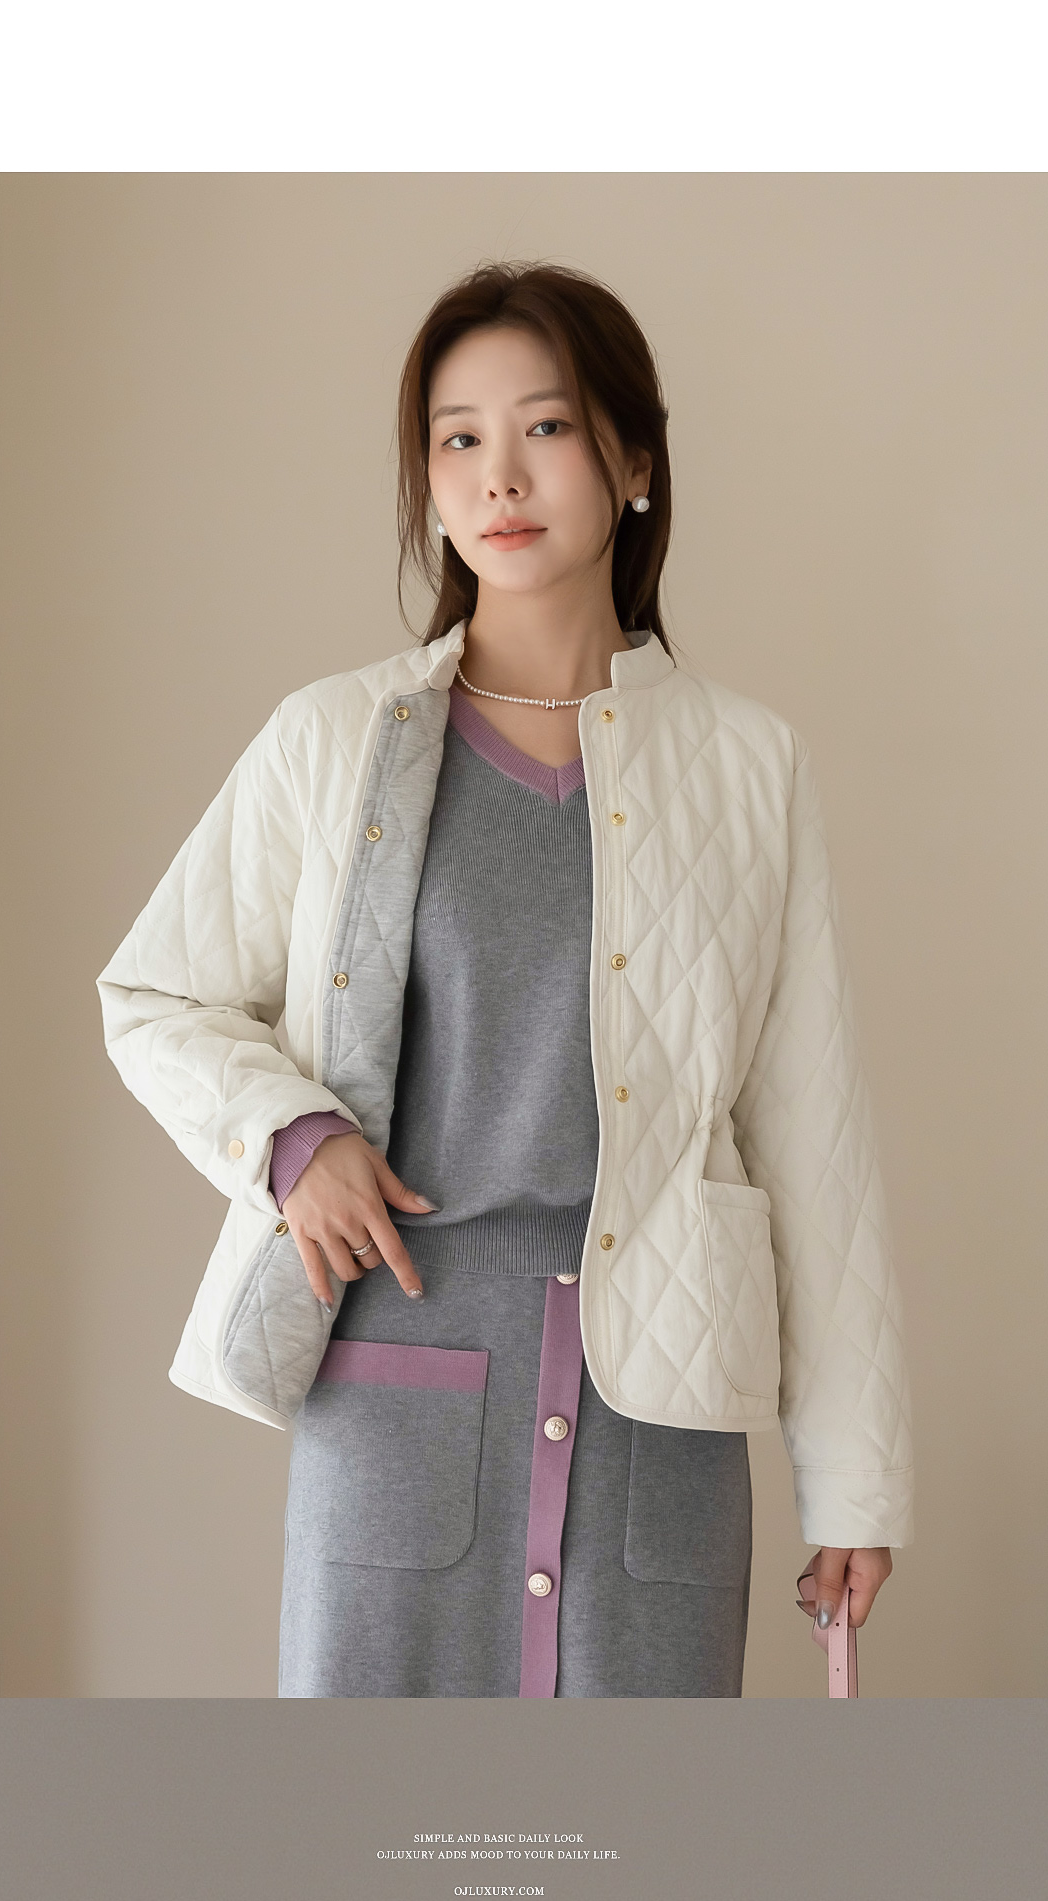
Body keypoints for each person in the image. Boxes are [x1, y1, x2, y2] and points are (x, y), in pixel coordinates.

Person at [98, 259, 912, 1703]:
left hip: (658, 1421)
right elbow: (154, 996)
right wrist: (295, 1141)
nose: (500, 476)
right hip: (397, 1398)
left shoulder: (746, 766)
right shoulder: (332, 740)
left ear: (634, 461)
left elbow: (814, 1134)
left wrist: (855, 1481)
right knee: (378, 1842)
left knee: (641, 1845)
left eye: (545, 427)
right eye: (458, 438)